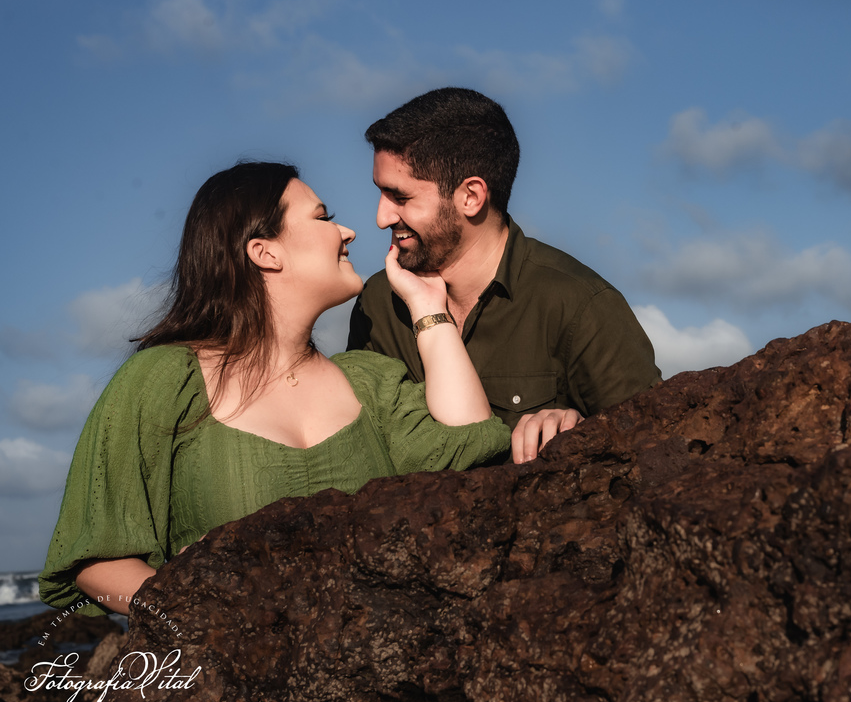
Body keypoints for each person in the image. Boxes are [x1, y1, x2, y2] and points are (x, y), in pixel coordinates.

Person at [40, 161, 509, 617]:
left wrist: (428, 306)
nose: (348, 232)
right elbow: (97, 561)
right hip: (222, 664)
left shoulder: (369, 381)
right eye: (323, 217)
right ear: (265, 252)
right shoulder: (163, 380)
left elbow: (472, 442)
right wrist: (191, 609)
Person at [347, 87, 661, 464]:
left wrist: (585, 436)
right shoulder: (379, 303)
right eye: (381, 194)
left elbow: (654, 452)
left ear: (471, 196)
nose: (381, 218)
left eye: (400, 197)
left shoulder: (580, 306)